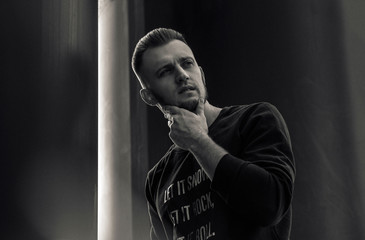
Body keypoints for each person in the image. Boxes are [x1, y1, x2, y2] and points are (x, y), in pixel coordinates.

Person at [131, 28, 296, 240]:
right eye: (165, 71)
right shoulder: (157, 179)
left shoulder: (254, 120)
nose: (182, 75)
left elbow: (271, 205)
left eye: (187, 63)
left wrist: (198, 141)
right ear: (149, 96)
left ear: (201, 74)